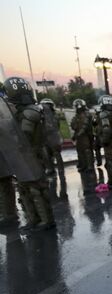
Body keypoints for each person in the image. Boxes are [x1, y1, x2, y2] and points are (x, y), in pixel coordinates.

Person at [3, 77, 55, 231]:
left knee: (36, 189)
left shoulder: (30, 112)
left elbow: (23, 136)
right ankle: (33, 219)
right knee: (24, 189)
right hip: (22, 157)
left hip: (32, 155)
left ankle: (46, 220)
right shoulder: (21, 112)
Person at [39, 98, 65, 175]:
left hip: (53, 136)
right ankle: (51, 169)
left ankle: (60, 169)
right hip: (46, 136)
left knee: (56, 153)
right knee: (47, 154)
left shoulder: (53, 116)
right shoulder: (42, 115)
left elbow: (56, 126)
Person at [70, 99, 95, 172]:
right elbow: (73, 125)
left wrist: (78, 134)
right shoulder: (77, 115)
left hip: (86, 135)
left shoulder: (86, 114)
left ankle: (90, 165)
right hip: (80, 136)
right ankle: (83, 165)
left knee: (87, 150)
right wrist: (76, 134)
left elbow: (85, 125)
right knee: (80, 151)